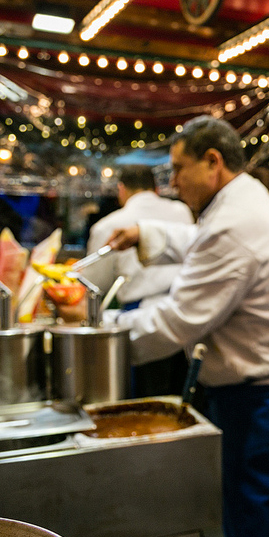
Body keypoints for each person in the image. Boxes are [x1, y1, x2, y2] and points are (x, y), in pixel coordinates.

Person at [103, 116, 269, 537]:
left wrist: (102, 333)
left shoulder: (235, 221)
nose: (173, 182)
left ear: (213, 163)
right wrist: (147, 234)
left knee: (263, 515)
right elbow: (202, 243)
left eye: (179, 169)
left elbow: (178, 321)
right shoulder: (239, 201)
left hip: (265, 395)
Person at [84, 165, 194, 398]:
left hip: (141, 322)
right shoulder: (182, 211)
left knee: (148, 405)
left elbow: (93, 286)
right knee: (183, 403)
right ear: (155, 187)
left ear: (121, 190)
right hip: (187, 317)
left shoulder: (108, 225)